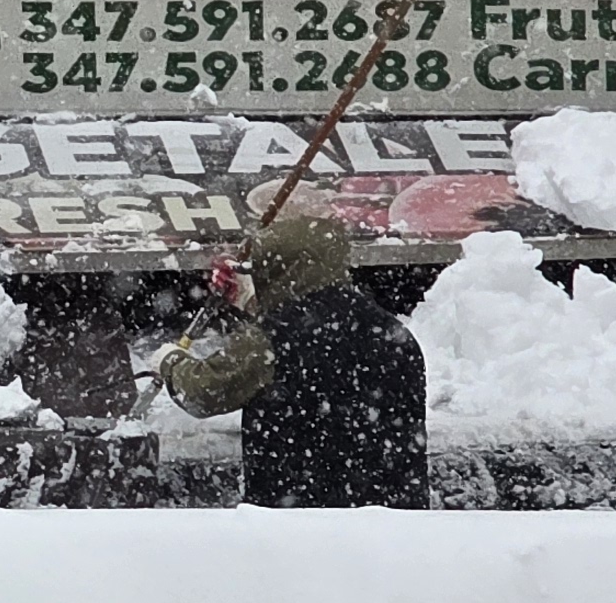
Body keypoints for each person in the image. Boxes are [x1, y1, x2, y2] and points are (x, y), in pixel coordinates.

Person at [154, 209, 428, 508]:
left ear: (276, 268)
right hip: (396, 522)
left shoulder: (271, 337)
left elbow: (202, 391)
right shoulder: (391, 333)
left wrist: (171, 361)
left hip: (296, 522)